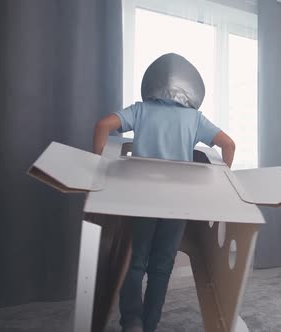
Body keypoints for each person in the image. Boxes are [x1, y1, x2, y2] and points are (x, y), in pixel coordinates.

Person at [92, 53, 236, 332]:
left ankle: (131, 322)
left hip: (141, 199)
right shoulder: (195, 118)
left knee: (134, 262)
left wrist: (97, 168)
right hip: (177, 202)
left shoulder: (141, 110)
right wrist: (222, 181)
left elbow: (102, 126)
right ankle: (150, 324)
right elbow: (228, 145)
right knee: (162, 265)